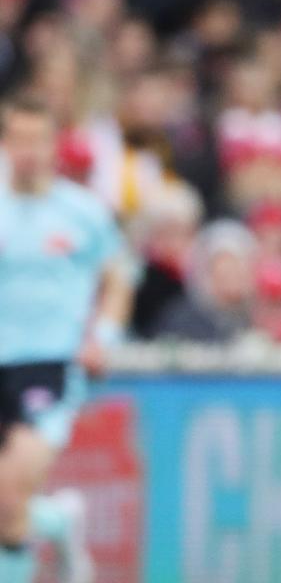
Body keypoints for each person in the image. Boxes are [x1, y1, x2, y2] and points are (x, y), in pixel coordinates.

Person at [0, 97, 134, 583]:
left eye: (38, 141)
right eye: (19, 140)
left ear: (53, 147)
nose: (28, 152)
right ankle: (57, 521)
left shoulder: (81, 213)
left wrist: (104, 336)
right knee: (7, 507)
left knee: (9, 498)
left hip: (51, 365)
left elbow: (118, 277)